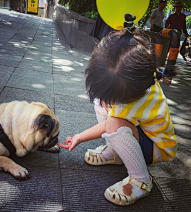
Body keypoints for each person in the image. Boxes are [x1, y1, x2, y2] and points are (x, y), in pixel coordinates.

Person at [59, 13, 177, 206]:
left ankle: (141, 180)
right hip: (143, 134)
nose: (109, 101)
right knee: (101, 100)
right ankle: (116, 152)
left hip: (157, 149)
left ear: (131, 95)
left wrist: (80, 136)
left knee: (114, 124)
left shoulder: (137, 102)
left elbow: (107, 125)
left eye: (115, 99)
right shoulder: (142, 82)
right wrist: (107, 99)